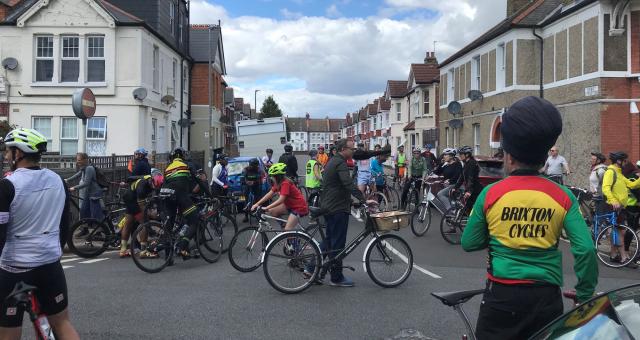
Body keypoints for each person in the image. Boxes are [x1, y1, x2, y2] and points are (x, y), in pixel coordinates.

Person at [461, 96, 598, 340]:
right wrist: (585, 294)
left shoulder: (490, 194)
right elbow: (586, 249)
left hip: (501, 296)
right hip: (546, 299)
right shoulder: (563, 196)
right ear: (545, 157)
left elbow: (469, 242)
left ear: (509, 157)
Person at [0, 128, 80, 340]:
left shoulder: (7, 186)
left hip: (14, 269)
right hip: (50, 265)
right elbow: (64, 224)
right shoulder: (58, 181)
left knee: (9, 333)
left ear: (19, 154)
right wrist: (55, 252)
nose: (6, 156)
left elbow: (0, 232)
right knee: (62, 323)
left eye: (9, 151)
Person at [320, 138, 366, 287]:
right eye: (351, 149)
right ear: (343, 150)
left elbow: (336, 186)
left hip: (330, 205)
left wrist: (351, 201)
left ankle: (311, 268)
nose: (353, 151)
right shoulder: (340, 163)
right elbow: (347, 184)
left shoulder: (333, 161)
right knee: (338, 244)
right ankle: (336, 277)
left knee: (329, 241)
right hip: (336, 208)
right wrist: (363, 199)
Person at [601, 151, 640, 266]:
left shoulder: (619, 172)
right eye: (624, 160)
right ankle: (623, 257)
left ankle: (613, 255)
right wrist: (613, 201)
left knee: (618, 231)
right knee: (619, 232)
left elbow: (631, 185)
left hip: (620, 207)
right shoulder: (610, 172)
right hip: (612, 206)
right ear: (618, 161)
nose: (625, 162)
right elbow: (605, 188)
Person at [164, 147, 200, 258]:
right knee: (195, 219)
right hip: (180, 195)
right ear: (183, 156)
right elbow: (197, 181)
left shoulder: (167, 168)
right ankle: (183, 246)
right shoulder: (186, 165)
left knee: (168, 226)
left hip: (166, 195)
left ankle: (168, 257)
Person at [119, 169, 164, 258]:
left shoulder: (152, 180)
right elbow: (142, 205)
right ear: (151, 180)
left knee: (128, 223)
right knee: (145, 223)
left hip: (129, 197)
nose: (154, 187)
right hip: (133, 199)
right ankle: (143, 251)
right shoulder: (143, 185)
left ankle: (123, 250)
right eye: (153, 185)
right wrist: (150, 215)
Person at [251, 163, 308, 231]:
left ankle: (291, 236)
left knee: (288, 230)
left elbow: (281, 199)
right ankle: (284, 226)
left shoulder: (285, 183)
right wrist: (257, 204)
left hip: (299, 207)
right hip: (289, 205)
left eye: (272, 176)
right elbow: (270, 194)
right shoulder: (278, 183)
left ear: (278, 177)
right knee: (272, 211)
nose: (271, 178)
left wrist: (266, 207)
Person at [67, 152, 104, 222]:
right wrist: (67, 180)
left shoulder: (89, 168)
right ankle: (85, 226)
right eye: (77, 160)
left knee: (95, 213)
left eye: (79, 160)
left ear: (85, 160)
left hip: (94, 193)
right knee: (83, 211)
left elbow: (86, 183)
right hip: (88, 193)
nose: (77, 162)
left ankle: (100, 228)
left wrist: (74, 188)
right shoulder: (84, 168)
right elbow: (77, 175)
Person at [453, 146, 482, 210]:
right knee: (466, 207)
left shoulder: (472, 163)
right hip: (471, 189)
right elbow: (462, 177)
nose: (459, 155)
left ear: (467, 154)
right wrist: (455, 187)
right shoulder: (466, 163)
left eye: (461, 154)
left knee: (469, 208)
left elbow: (470, 178)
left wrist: (469, 191)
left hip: (475, 190)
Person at [241, 158, 263, 223]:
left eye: (256, 166)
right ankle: (246, 216)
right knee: (246, 199)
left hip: (256, 184)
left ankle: (259, 215)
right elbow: (242, 178)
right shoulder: (245, 170)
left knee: (258, 199)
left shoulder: (259, 170)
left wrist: (254, 182)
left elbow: (260, 178)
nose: (255, 167)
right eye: (253, 165)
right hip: (247, 184)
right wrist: (246, 182)